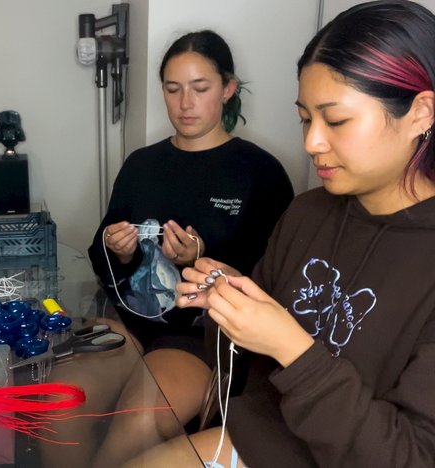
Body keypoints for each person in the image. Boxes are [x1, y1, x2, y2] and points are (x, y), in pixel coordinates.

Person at [122, 1, 435, 467]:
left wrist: (290, 344)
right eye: (305, 118)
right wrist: (230, 301)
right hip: (255, 434)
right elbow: (241, 372)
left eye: (337, 120)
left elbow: (410, 457)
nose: (311, 143)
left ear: (420, 113)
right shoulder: (309, 213)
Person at [87, 30, 293, 467]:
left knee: (136, 423)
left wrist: (200, 259)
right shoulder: (141, 164)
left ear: (228, 89)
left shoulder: (260, 172)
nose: (185, 104)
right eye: (173, 89)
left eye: (200, 89)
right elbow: (101, 254)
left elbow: (275, 282)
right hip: (129, 322)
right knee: (63, 408)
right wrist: (119, 250)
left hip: (199, 337)